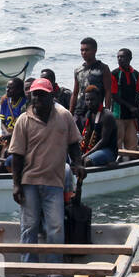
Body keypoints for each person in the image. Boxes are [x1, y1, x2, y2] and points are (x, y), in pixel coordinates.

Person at [8, 77, 85, 264]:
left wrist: (78, 163)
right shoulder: (23, 121)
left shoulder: (64, 116)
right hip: (29, 182)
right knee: (29, 227)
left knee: (56, 227)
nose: (38, 99)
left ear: (52, 96)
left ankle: (54, 270)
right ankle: (28, 269)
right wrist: (16, 185)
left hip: (54, 182)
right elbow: (16, 156)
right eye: (35, 95)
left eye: (42, 95)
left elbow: (74, 144)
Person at [111, 48, 139, 152]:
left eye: (122, 57)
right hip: (118, 115)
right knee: (117, 142)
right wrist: (130, 107)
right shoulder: (114, 74)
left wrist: (138, 110)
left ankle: (131, 162)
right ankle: (117, 162)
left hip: (131, 116)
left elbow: (137, 93)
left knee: (132, 143)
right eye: (118, 57)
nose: (120, 59)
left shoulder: (136, 75)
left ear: (130, 58)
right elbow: (114, 95)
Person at [71, 38, 112, 120]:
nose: (84, 53)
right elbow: (75, 93)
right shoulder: (78, 70)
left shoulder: (103, 68)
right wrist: (70, 112)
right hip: (79, 111)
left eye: (86, 50)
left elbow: (108, 91)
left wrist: (107, 111)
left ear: (95, 50)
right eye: (82, 50)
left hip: (96, 111)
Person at [78, 85, 119, 166]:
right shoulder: (89, 114)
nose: (89, 102)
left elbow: (103, 141)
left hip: (108, 151)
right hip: (94, 150)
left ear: (99, 99)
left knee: (87, 161)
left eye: (92, 99)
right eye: (87, 100)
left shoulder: (107, 116)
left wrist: (85, 155)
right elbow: (85, 136)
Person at [0, 77, 27, 168]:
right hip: (6, 135)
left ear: (19, 90)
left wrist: (10, 135)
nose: (7, 90)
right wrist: (6, 134)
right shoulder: (5, 101)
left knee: (6, 152)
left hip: (18, 136)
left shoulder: (25, 104)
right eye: (7, 87)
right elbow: (2, 123)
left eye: (11, 88)